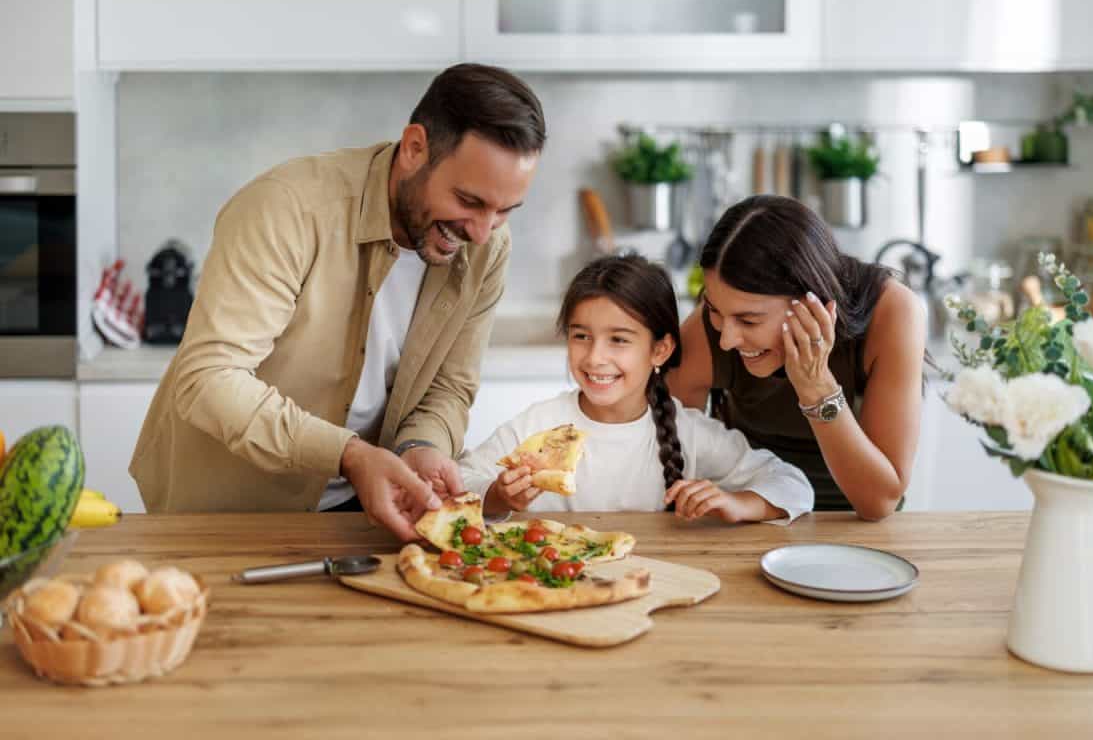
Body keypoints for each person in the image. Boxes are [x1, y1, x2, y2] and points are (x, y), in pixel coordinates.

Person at [131, 64, 546, 541]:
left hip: (361, 514)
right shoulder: (287, 209)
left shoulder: (488, 244)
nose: (480, 230)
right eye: (468, 201)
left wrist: (422, 447)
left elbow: (448, 387)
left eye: (504, 211)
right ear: (415, 149)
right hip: (226, 512)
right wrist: (349, 455)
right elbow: (209, 380)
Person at [458, 254, 814, 523]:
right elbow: (458, 479)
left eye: (619, 340)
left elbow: (793, 484)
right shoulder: (538, 424)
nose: (595, 357)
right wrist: (497, 497)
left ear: (660, 349)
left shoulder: (688, 432)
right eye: (581, 336)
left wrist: (736, 502)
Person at [667, 195, 926, 520]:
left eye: (749, 321)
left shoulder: (893, 313)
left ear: (812, 302)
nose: (727, 339)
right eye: (714, 309)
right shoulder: (709, 329)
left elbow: (878, 503)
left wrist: (816, 387)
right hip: (755, 520)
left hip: (857, 528)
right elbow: (670, 462)